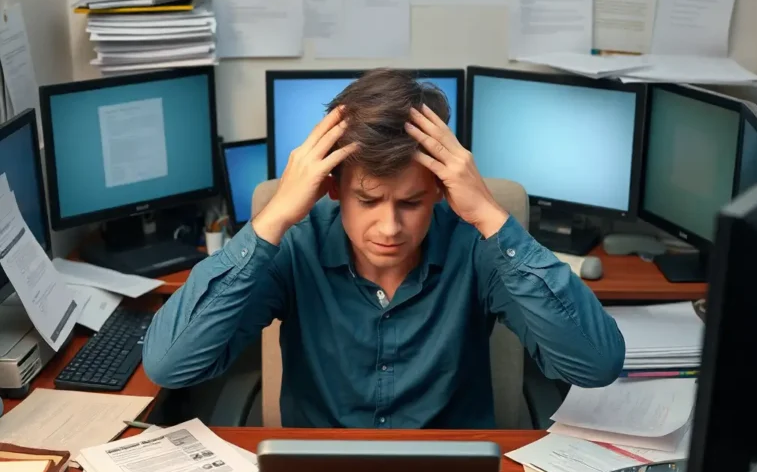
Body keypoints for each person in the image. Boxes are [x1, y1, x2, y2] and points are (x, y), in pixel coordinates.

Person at [143, 69, 625, 428]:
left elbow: (597, 364)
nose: (389, 227)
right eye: (368, 200)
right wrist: (273, 219)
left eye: (411, 202)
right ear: (332, 187)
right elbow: (170, 363)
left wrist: (490, 217)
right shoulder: (296, 244)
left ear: (440, 188)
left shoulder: (476, 246)